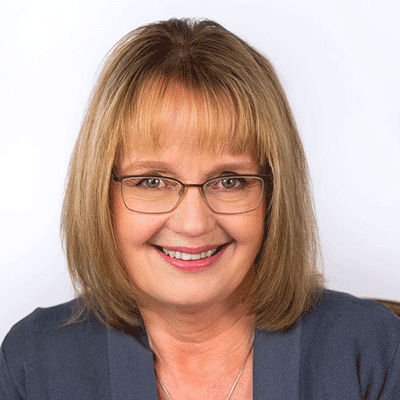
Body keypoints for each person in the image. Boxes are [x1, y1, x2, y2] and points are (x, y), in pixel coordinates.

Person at [1, 18, 399, 400]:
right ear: (99, 195)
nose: (193, 224)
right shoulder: (32, 365)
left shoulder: (372, 353)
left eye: (230, 181)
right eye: (152, 181)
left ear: (275, 197)